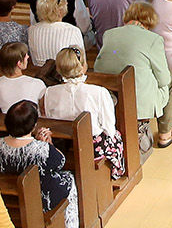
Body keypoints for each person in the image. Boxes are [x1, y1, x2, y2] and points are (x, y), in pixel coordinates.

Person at [0, 100, 79, 228]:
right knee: (68, 177)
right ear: (33, 125)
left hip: (9, 196)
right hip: (39, 198)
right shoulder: (41, 149)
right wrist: (48, 144)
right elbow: (60, 162)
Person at [94, 0, 172, 149]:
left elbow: (99, 64)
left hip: (112, 95)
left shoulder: (109, 34)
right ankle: (165, 133)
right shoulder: (153, 39)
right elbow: (163, 79)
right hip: (139, 103)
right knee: (170, 78)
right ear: (150, 21)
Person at [43, 47, 127, 179]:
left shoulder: (49, 92)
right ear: (83, 67)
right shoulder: (99, 92)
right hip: (92, 147)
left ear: (58, 70)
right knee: (115, 136)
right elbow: (109, 128)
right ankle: (115, 172)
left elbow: (49, 119)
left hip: (63, 144)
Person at [28, 0, 85, 72]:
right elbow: (82, 65)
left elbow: (34, 61)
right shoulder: (73, 31)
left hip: (40, 77)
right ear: (60, 10)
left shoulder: (31, 30)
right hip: (65, 78)